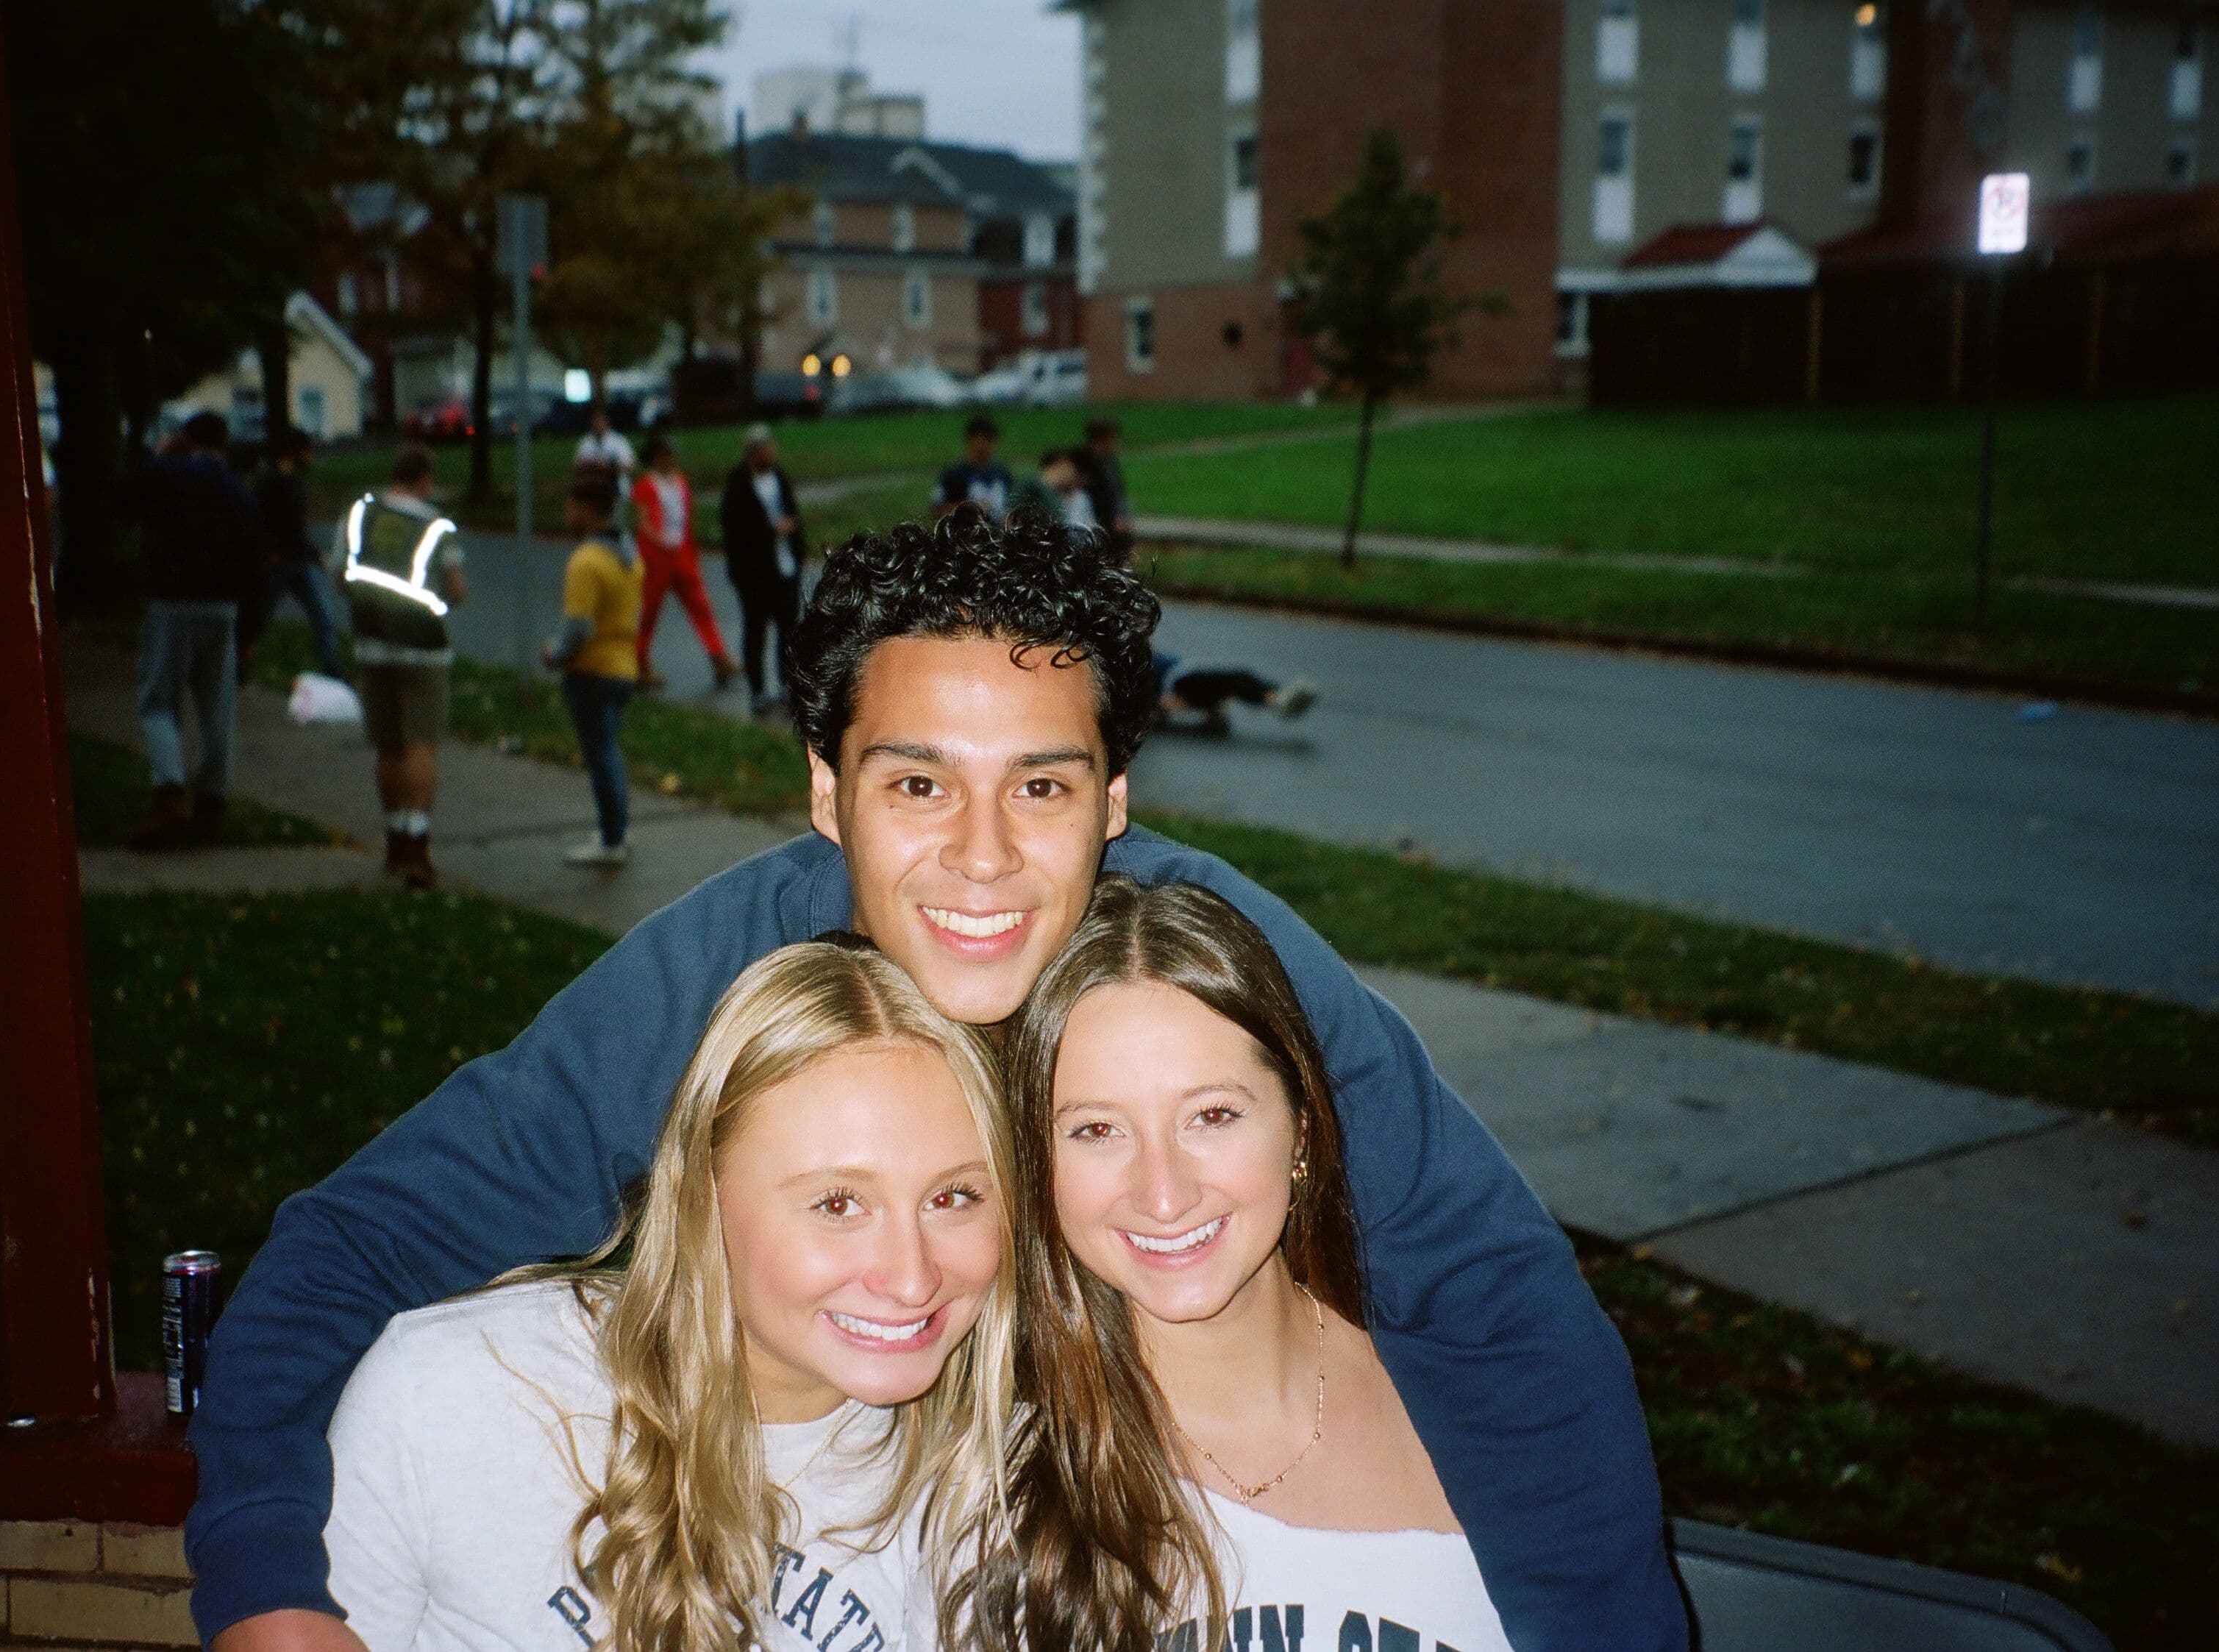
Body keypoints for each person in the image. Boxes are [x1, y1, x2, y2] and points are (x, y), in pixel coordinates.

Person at [186, 513, 1684, 1652]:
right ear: (826, 791)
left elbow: (1495, 1301)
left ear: (1113, 797)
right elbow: (359, 1242)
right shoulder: (722, 968)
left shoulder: (1206, 958)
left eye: (1038, 785)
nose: (980, 855)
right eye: (916, 785)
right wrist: (266, 1589)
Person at [324, 939, 1018, 1652]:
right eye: (838, 1204)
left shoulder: (1008, 1499)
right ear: (703, 1197)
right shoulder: (458, 1391)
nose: (910, 1276)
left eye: (953, 1195)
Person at [964, 877, 1514, 1649]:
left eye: (1212, 1114)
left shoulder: (1491, 1405)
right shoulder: (992, 1480)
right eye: (1096, 1129)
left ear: (1300, 1128)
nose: (1163, 1191)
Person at [330, 444, 467, 889]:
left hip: (373, 643)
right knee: (421, 742)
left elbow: (339, 577)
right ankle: (416, 842)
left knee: (388, 745)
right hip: (424, 649)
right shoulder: (436, 525)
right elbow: (456, 589)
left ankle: (393, 840)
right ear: (425, 480)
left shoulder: (359, 517)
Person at [129, 410, 266, 850]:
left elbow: (118, 497)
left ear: (183, 439)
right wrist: (250, 629)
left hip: (172, 601)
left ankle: (170, 791)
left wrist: (160, 456)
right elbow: (255, 563)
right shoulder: (237, 494)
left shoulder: (167, 478)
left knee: (158, 700)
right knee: (216, 707)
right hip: (223, 607)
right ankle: (213, 797)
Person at [541, 470, 641, 868]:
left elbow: (578, 627)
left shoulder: (586, 561)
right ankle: (617, 827)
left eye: (571, 505)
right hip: (624, 667)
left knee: (602, 755)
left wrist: (555, 654)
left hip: (592, 670)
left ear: (586, 509)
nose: (566, 512)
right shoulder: (627, 554)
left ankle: (611, 838)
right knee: (610, 751)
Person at [629, 433, 738, 694]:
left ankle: (718, 657)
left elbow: (685, 519)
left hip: (683, 554)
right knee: (649, 611)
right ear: (655, 457)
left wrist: (686, 546)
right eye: (664, 455)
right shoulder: (645, 485)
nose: (670, 459)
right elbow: (644, 522)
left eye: (671, 455)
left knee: (700, 604)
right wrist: (660, 540)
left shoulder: (681, 482)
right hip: (656, 557)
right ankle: (638, 663)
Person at [718, 424, 806, 718]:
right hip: (756, 572)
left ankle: (785, 685)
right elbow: (736, 530)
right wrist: (770, 531)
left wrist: (796, 544)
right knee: (756, 631)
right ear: (752, 453)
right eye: (765, 448)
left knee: (788, 629)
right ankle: (758, 690)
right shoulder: (738, 485)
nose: (771, 453)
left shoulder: (779, 477)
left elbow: (794, 513)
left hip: (785, 567)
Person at [251, 426, 347, 683]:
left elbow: (296, 528)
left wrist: (314, 554)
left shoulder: (297, 483)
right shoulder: (270, 482)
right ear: (295, 452)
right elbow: (260, 521)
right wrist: (268, 551)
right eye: (307, 451)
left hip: (300, 562)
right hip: (277, 564)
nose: (311, 456)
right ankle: (237, 666)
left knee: (323, 618)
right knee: (258, 618)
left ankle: (334, 674)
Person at [1152, 648, 1318, 737]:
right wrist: (1158, 704)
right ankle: (1278, 701)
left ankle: (1278, 695)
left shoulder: (1142, 653)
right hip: (1181, 682)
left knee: (1237, 679)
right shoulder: (1139, 660)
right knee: (1237, 679)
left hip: (1188, 677)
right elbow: (1144, 692)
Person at [929, 414, 1013, 523]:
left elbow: (1010, 506)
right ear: (970, 440)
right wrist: (968, 509)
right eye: (980, 439)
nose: (983, 445)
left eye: (988, 439)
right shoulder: (954, 474)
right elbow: (935, 510)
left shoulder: (1003, 473)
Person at [1077, 416, 1134, 555]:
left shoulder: (1110, 463)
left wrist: (1122, 516)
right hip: (1097, 522)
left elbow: (1118, 493)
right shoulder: (1084, 463)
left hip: (1113, 521)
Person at [571, 403, 637, 503]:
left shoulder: (618, 441)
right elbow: (577, 466)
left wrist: (609, 466)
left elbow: (630, 466)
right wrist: (592, 465)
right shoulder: (586, 442)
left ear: (607, 422)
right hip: (593, 490)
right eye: (595, 421)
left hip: (617, 489)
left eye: (600, 421)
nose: (597, 424)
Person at [1037, 447, 1100, 534]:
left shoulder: (1081, 497)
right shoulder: (1042, 498)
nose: (1068, 474)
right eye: (1062, 469)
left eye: (1070, 468)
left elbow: (1092, 527)